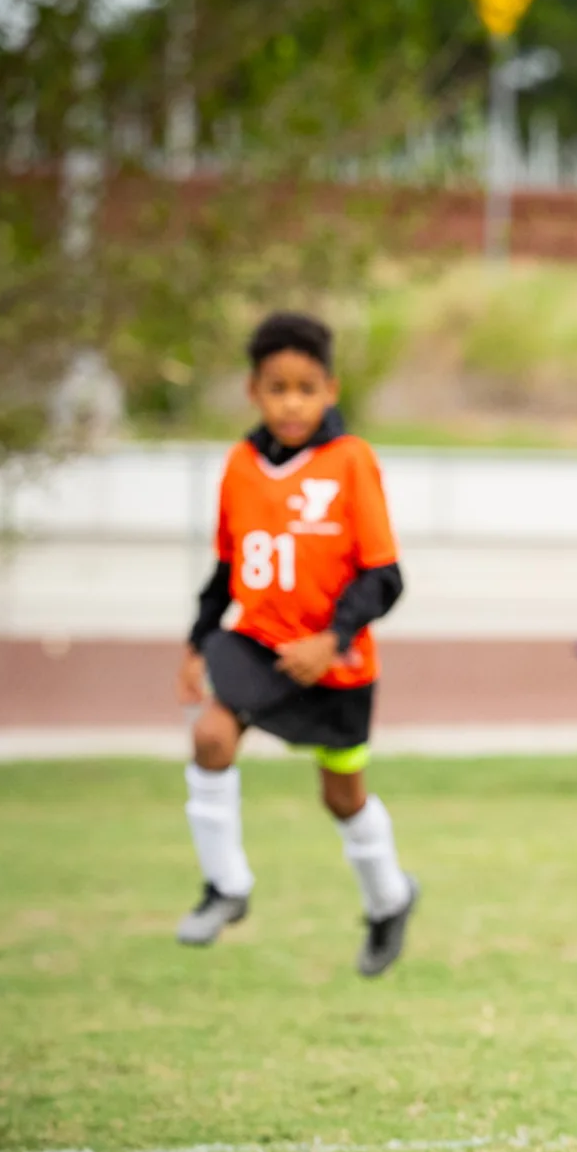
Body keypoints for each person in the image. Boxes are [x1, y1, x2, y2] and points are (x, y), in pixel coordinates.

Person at [174, 312, 418, 976]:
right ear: (254, 390)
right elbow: (229, 569)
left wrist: (332, 640)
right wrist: (199, 642)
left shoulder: (350, 461)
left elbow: (384, 576)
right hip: (257, 644)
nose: (291, 402)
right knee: (210, 737)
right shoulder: (239, 464)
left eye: (305, 388)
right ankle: (227, 885)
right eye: (276, 387)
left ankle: (389, 898)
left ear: (330, 390)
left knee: (341, 796)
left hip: (335, 666)